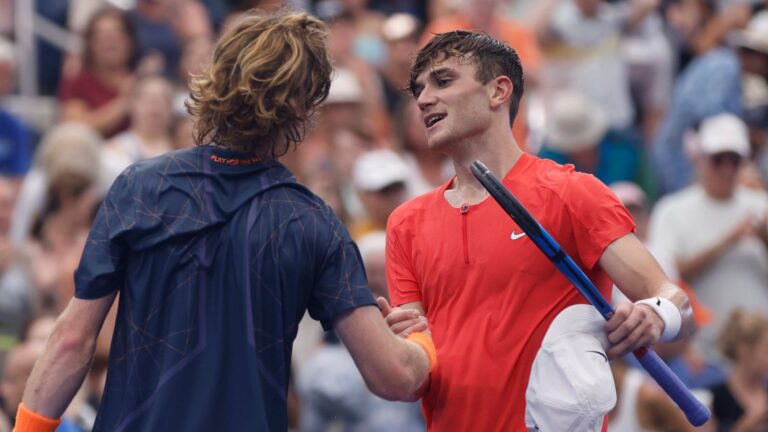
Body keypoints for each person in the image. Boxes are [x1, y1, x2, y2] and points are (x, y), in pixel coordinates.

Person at [14, 11, 435, 432]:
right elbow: (394, 376)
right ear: (305, 108)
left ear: (218, 79)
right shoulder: (312, 221)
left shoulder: (139, 187)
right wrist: (421, 342)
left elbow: (71, 340)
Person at [380, 30, 696, 431]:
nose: (424, 98)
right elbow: (414, 379)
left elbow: (675, 301)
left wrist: (655, 315)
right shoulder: (405, 223)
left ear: (499, 91)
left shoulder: (572, 193)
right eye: (418, 89)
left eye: (443, 81)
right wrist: (392, 348)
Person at [648, 113, 768, 364]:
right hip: (701, 356)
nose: (727, 169)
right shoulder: (671, 211)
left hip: (759, 357)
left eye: (734, 161)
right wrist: (727, 241)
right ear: (699, 159)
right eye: (718, 160)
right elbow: (663, 279)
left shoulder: (761, 205)